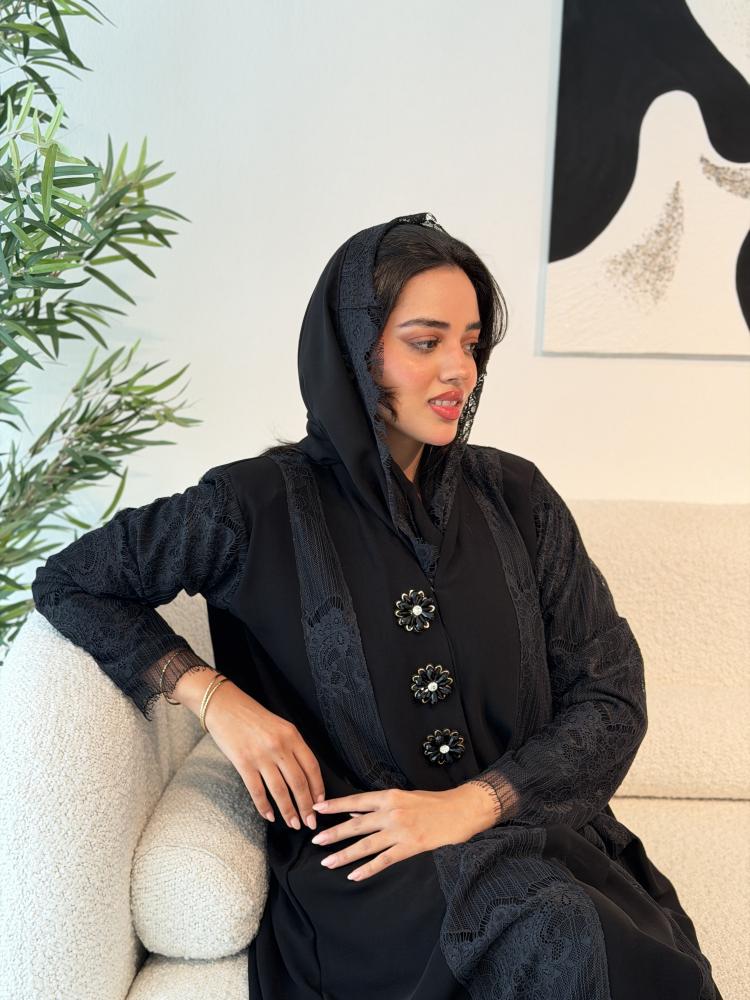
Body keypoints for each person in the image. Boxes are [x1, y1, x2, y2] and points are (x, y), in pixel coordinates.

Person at [31, 212, 723, 999]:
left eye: (471, 344)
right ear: (354, 351)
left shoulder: (518, 497)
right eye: (426, 342)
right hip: (375, 875)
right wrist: (214, 697)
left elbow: (611, 695)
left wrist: (476, 804)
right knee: (553, 929)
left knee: (595, 935)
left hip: (535, 835)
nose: (459, 370)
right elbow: (70, 582)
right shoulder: (251, 508)